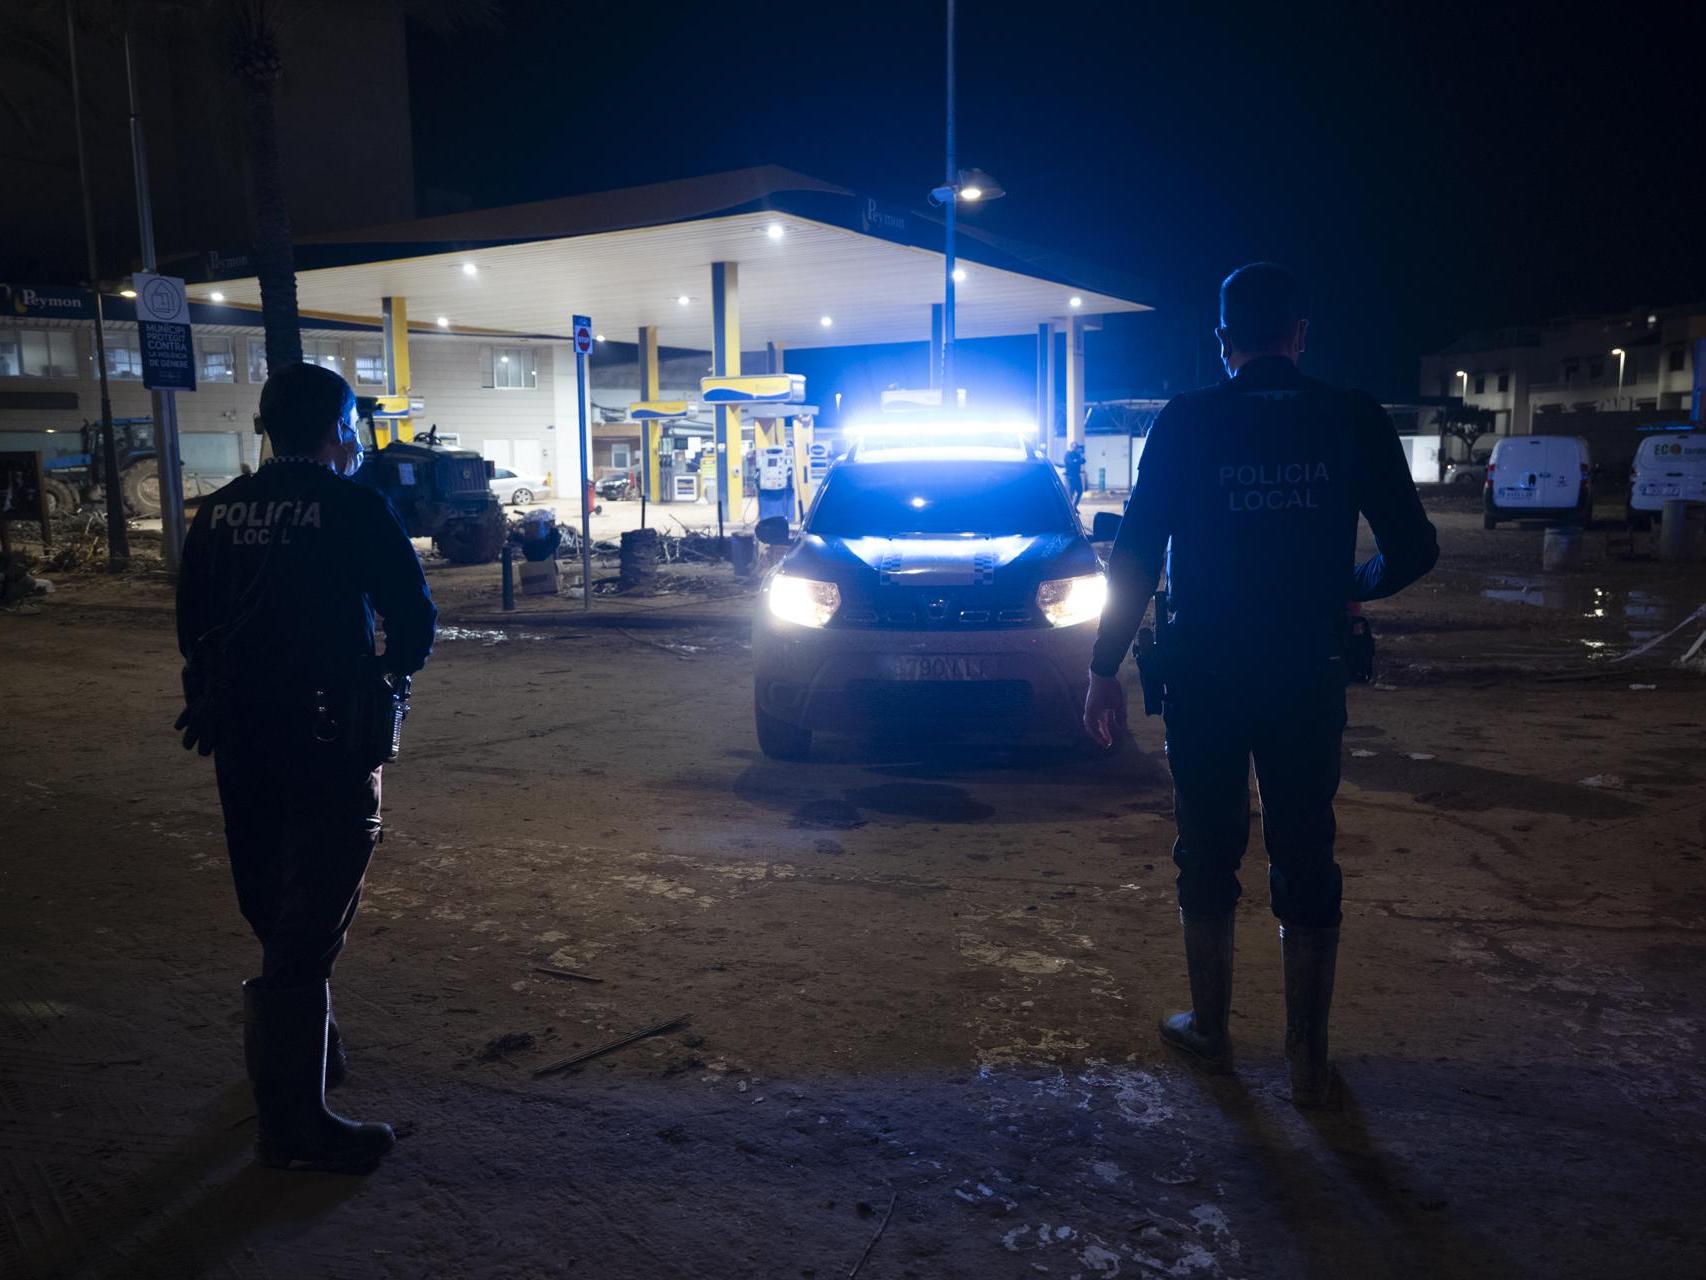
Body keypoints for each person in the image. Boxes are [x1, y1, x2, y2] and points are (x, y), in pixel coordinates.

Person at [1082, 263, 1437, 1106]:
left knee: (1206, 848)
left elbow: (1133, 556)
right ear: (1301, 335)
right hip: (1307, 674)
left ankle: (1211, 1029)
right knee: (1304, 849)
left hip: (1204, 677)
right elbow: (1416, 549)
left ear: (1223, 340)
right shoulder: (1350, 417)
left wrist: (1103, 668)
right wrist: (1355, 582)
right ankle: (1307, 1062)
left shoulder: (1188, 420)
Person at [175, 362, 437, 1170]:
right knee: (313, 915)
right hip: (329, 745)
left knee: (272, 902)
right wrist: (384, 679)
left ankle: (307, 1055)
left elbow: (192, 630)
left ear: (263, 429)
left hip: (242, 745)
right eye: (352, 426)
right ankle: (293, 1123)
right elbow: (415, 620)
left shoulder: (215, 515)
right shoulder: (353, 505)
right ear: (340, 431)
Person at [1064, 441, 1087, 511]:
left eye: (1076, 447)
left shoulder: (1077, 454)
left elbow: (1083, 460)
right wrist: (1077, 461)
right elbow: (1071, 463)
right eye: (1074, 447)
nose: (1076, 448)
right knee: (1070, 493)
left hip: (1077, 476)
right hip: (1070, 476)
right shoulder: (1068, 454)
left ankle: (1074, 506)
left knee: (1080, 491)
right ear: (1071, 447)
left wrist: (1076, 461)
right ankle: (1070, 509)